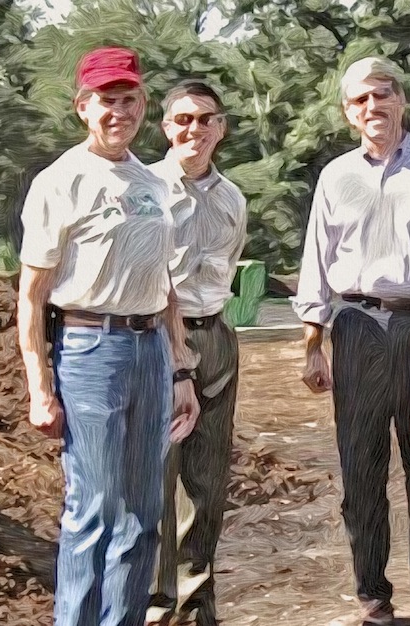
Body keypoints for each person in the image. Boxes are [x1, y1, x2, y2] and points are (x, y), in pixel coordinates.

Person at [16, 47, 200, 626]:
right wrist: (39, 388)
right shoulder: (61, 181)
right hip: (89, 350)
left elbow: (164, 283)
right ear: (82, 107)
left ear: (142, 105)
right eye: (106, 101)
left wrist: (181, 368)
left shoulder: (150, 181)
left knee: (143, 511)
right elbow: (30, 296)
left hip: (149, 349)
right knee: (92, 509)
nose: (118, 112)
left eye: (128, 100)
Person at [292, 56, 410, 626]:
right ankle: (373, 596)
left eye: (383, 95)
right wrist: (312, 343)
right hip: (355, 330)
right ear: (348, 113)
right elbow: (316, 260)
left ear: (402, 101)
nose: (374, 107)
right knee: (361, 472)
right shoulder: (335, 176)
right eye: (361, 100)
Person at [146, 81, 247, 626]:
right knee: (162, 481)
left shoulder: (232, 197)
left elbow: (227, 268)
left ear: (221, 128)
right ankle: (160, 607)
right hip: (162, 340)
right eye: (183, 119)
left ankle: (198, 603)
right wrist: (177, 350)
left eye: (206, 119)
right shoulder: (148, 190)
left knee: (208, 481)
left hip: (217, 337)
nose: (194, 130)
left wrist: (211, 342)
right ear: (166, 128)